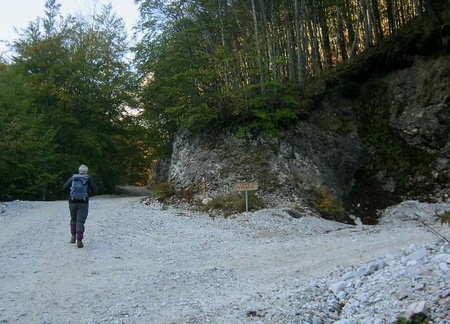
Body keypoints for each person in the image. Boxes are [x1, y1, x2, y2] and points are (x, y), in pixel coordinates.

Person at [62, 164, 98, 248]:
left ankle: (73, 236)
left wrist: (71, 194)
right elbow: (96, 190)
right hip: (83, 203)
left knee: (73, 219)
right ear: (86, 171)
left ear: (79, 171)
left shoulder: (74, 177)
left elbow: (64, 187)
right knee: (80, 221)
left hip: (72, 202)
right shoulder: (88, 178)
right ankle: (79, 240)